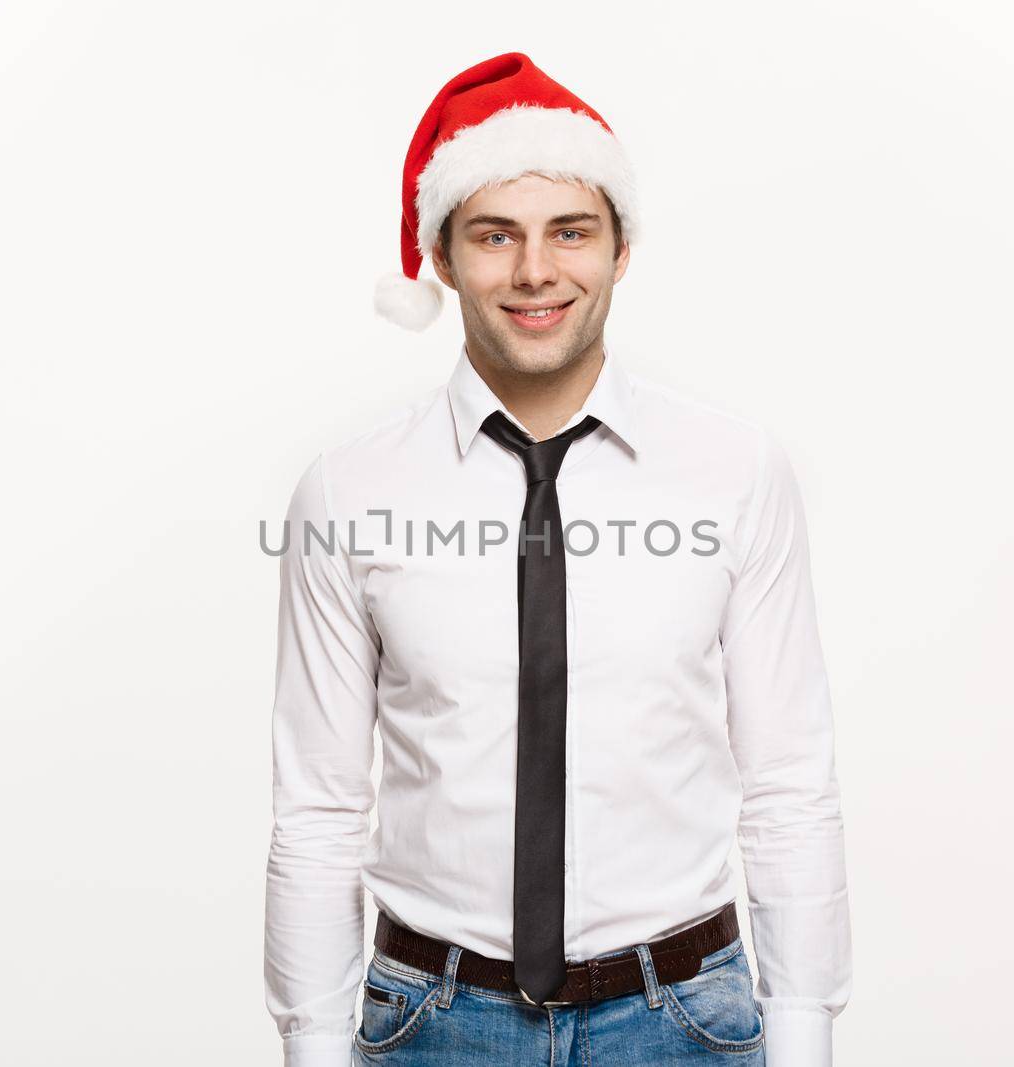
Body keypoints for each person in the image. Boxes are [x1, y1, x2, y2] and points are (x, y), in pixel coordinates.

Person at [263, 52, 851, 1066]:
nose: (536, 271)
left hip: (683, 1019)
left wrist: (803, 1036)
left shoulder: (735, 473)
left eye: (569, 231)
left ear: (620, 249)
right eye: (495, 235)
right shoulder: (347, 492)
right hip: (432, 1023)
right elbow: (317, 803)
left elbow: (788, 781)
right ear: (442, 257)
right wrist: (314, 1047)